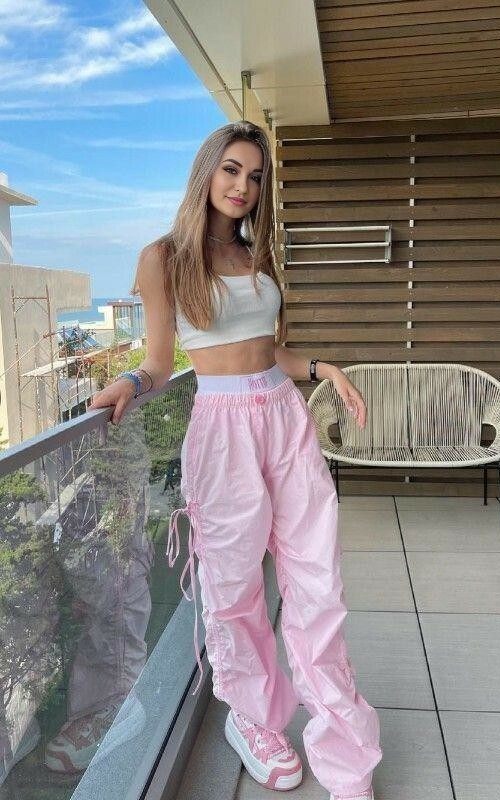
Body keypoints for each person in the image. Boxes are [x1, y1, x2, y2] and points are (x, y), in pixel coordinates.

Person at [89, 120, 383, 800]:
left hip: (284, 417)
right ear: (206, 172)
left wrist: (322, 367)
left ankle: (345, 750)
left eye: (254, 176)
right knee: (234, 588)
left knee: (318, 584)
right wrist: (129, 382)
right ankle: (252, 719)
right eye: (231, 170)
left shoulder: (256, 254)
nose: (242, 186)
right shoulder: (163, 257)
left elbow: (262, 348)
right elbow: (160, 360)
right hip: (221, 431)